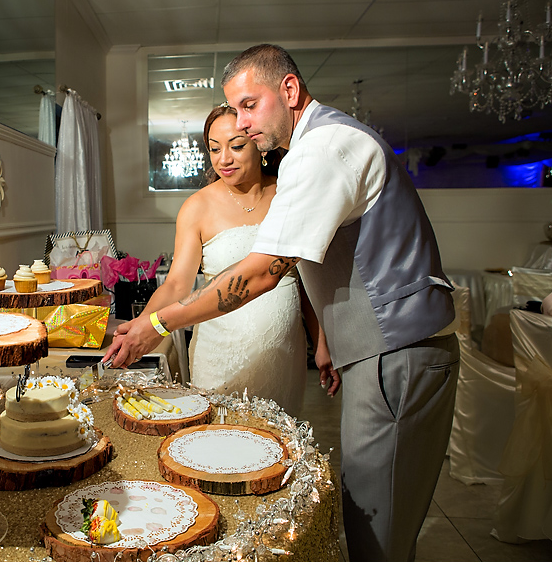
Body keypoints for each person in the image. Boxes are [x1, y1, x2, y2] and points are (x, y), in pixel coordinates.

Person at [103, 44, 460, 561]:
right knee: (365, 509)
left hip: (396, 353)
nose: (242, 128)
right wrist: (330, 343)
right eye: (228, 124)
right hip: (380, 352)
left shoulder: (320, 150)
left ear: (289, 90)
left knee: (375, 528)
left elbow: (265, 275)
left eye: (250, 106)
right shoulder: (313, 149)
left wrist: (156, 321)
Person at [137, 105, 334, 416]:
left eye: (236, 146)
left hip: (282, 357)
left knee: (275, 447)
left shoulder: (289, 195)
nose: (223, 159)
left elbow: (307, 279)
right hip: (218, 356)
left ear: (260, 144)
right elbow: (176, 283)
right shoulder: (197, 207)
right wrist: (142, 325)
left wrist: (321, 341)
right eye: (214, 149)